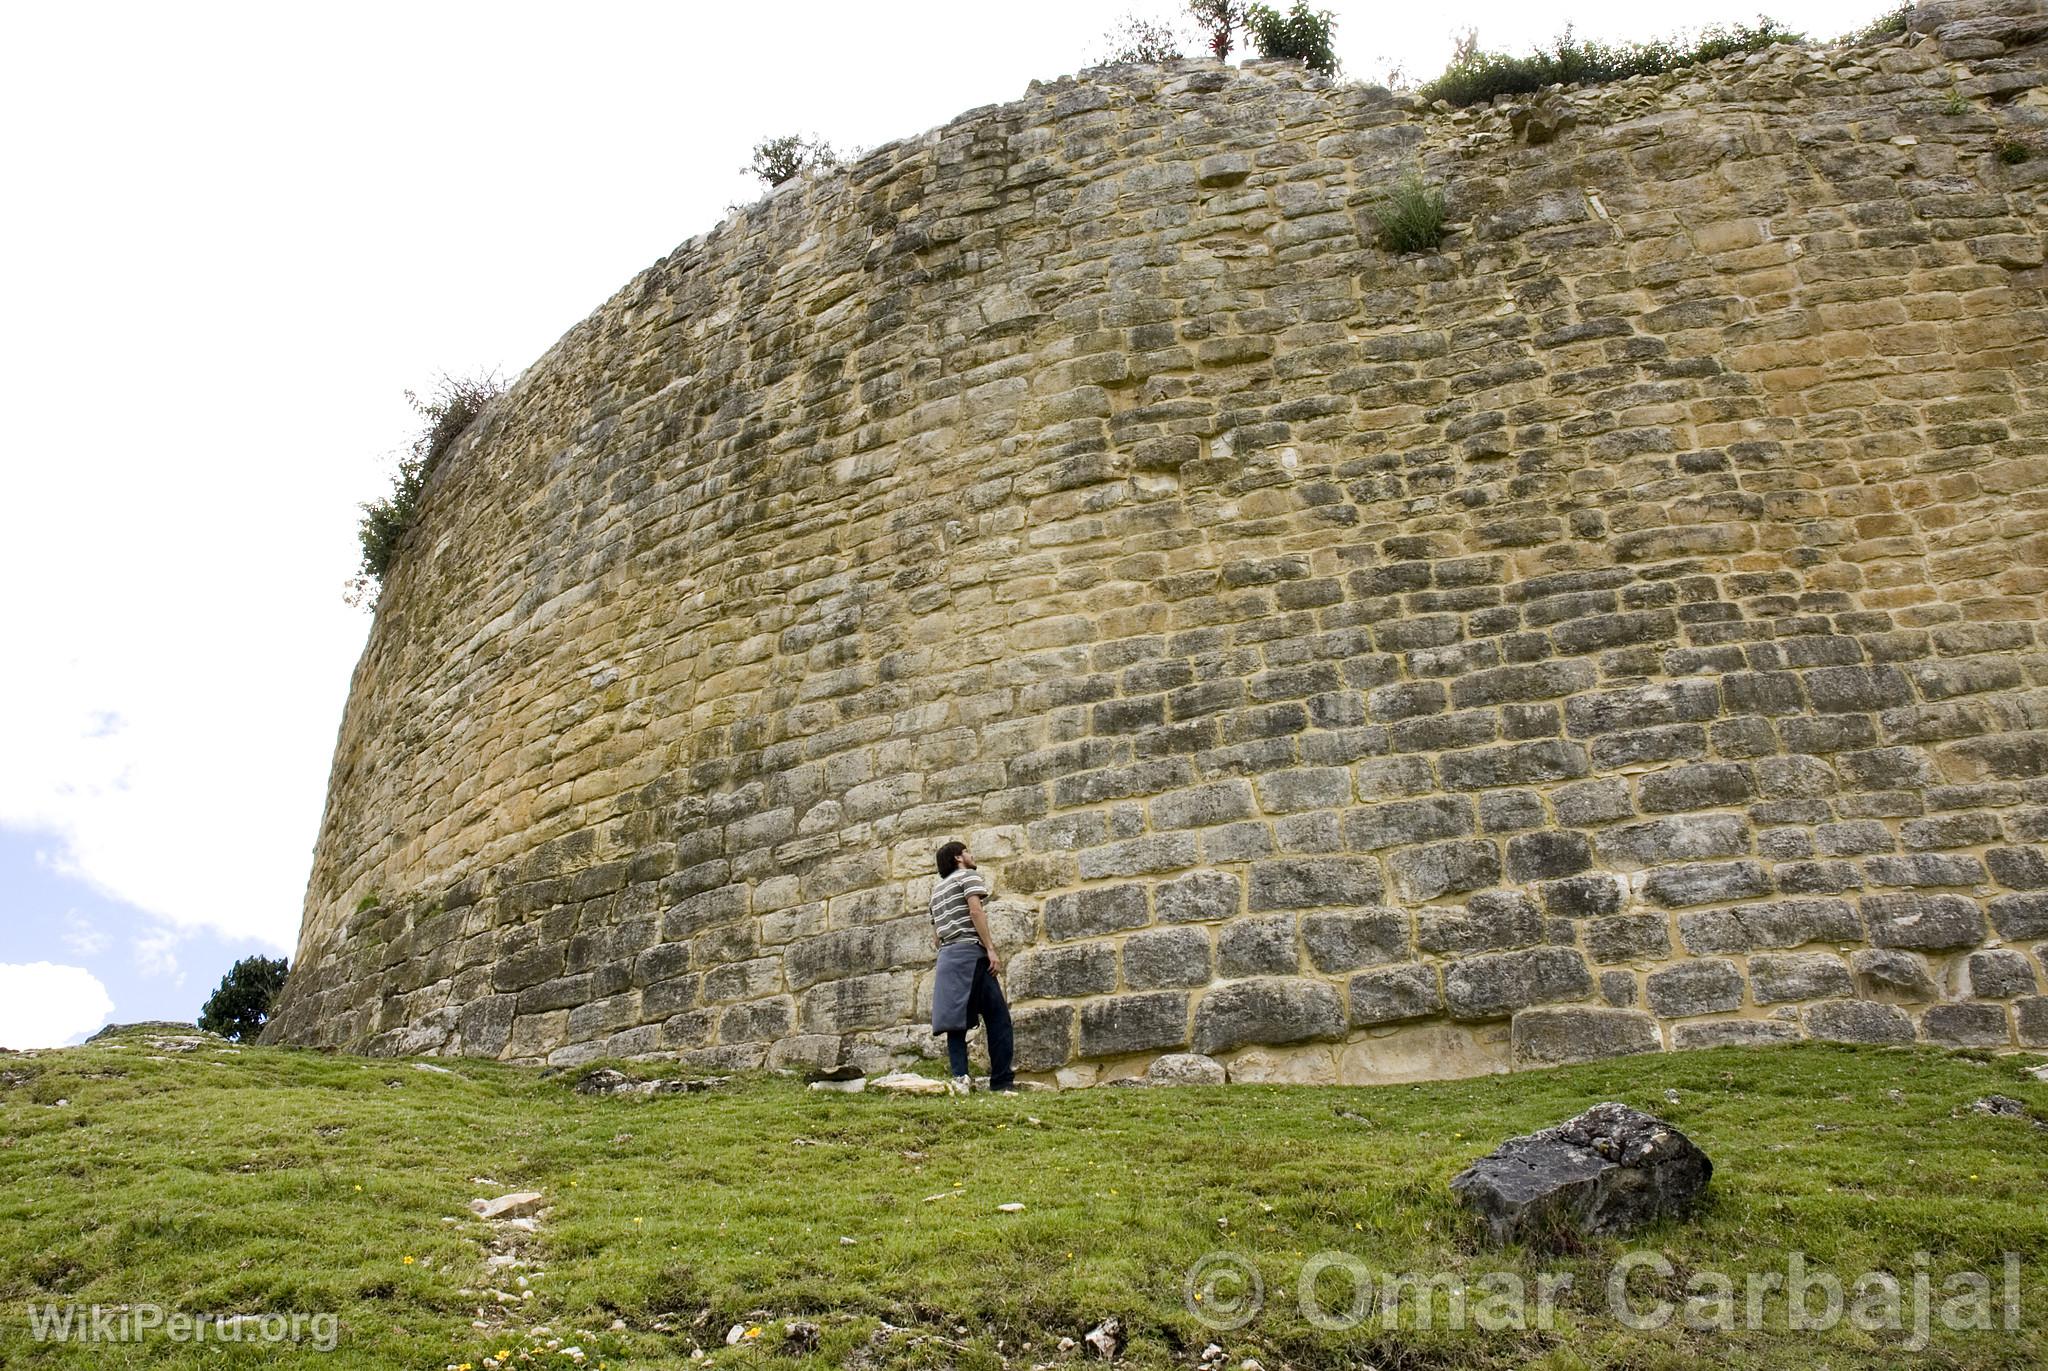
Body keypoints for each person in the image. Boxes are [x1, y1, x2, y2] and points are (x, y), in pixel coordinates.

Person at [928, 840, 1015, 1094]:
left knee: (955, 1023)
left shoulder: (936, 892)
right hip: (971, 955)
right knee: (998, 1019)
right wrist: (989, 948)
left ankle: (960, 1078)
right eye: (966, 851)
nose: (971, 854)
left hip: (947, 959)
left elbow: (936, 936)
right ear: (958, 858)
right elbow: (976, 911)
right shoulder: (967, 876)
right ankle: (1001, 1082)